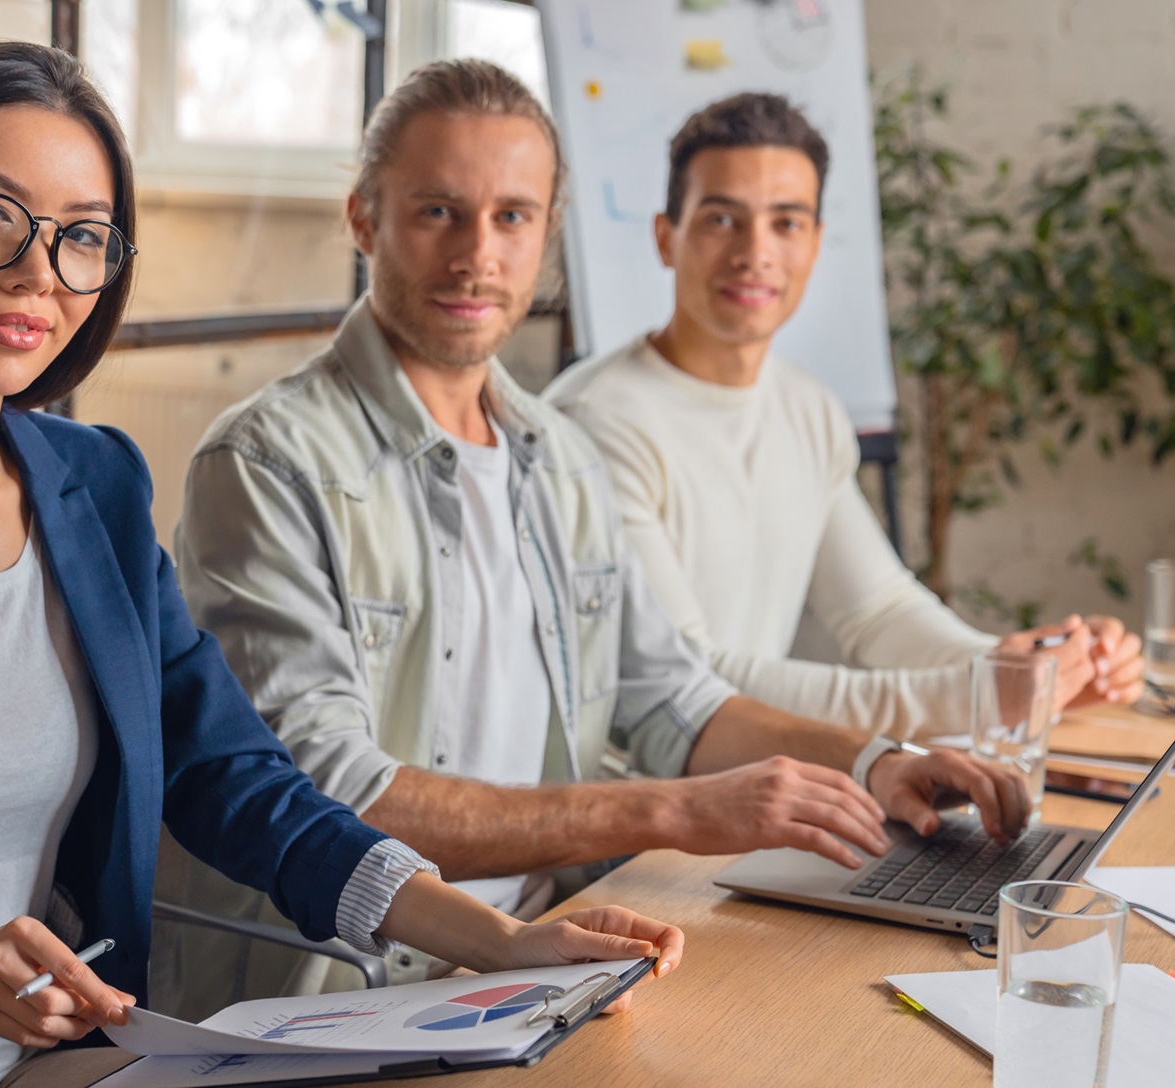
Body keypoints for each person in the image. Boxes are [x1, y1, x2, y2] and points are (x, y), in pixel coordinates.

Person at [0, 43, 687, 1088]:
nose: (36, 270)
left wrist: (498, 938)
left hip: (60, 1064)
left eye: (82, 234)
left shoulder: (97, 487)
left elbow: (236, 778)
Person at [158, 59, 1028, 1020]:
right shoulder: (266, 461)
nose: (477, 255)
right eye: (438, 211)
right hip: (353, 986)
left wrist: (876, 762)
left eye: (513, 217)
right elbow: (333, 795)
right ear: (364, 219)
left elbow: (671, 693)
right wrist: (671, 810)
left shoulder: (557, 456)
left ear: (548, 239)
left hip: (553, 955)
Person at [547, 92, 1145, 740]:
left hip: (745, 794)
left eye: (786, 222)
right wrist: (984, 696)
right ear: (667, 237)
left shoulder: (807, 408)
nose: (756, 252)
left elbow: (879, 611)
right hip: (635, 817)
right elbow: (689, 679)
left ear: (815, 243)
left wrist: (1022, 664)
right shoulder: (596, 422)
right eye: (722, 219)